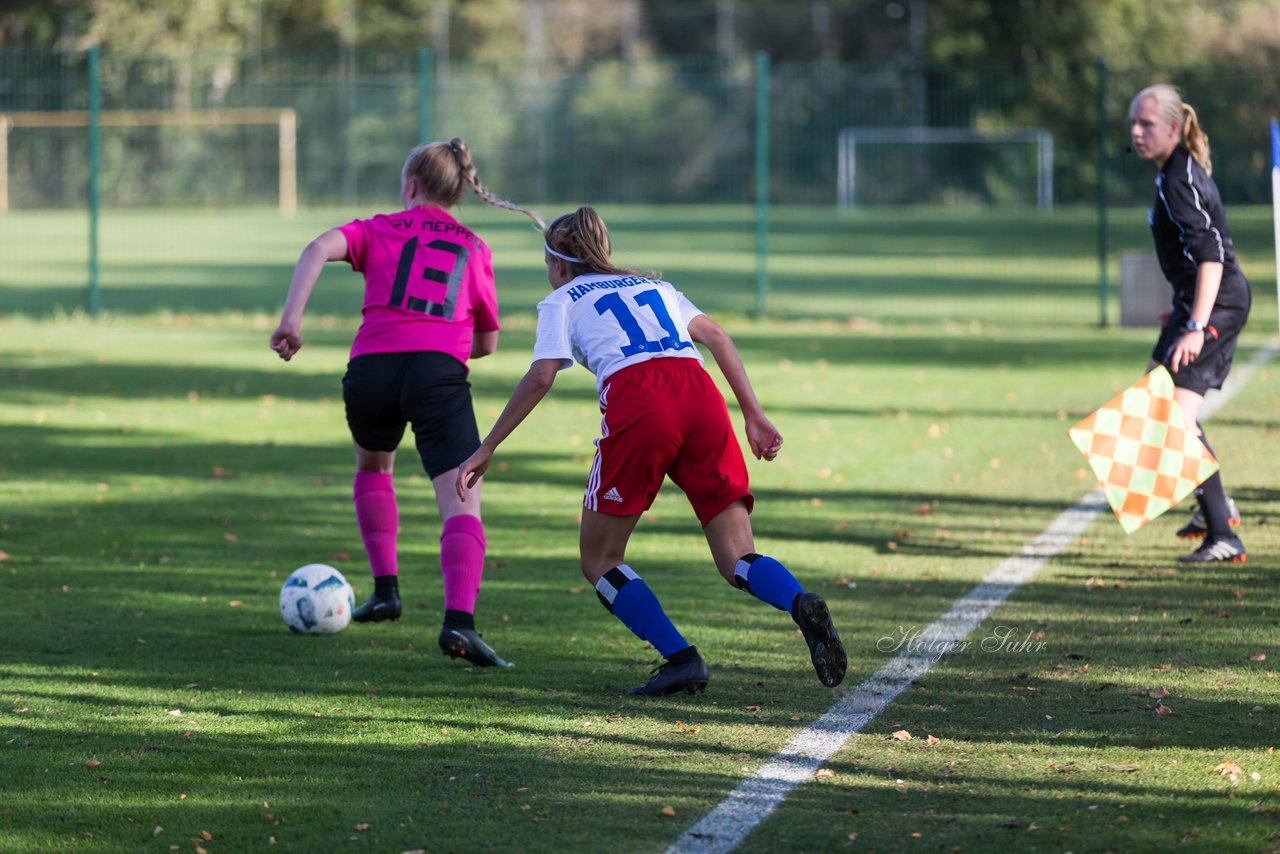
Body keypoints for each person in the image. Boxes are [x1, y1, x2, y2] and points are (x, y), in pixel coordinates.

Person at [454, 205, 846, 695]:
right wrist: (753, 413)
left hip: (641, 400)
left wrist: (488, 445)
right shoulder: (655, 288)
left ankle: (681, 658)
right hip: (700, 394)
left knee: (600, 559)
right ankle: (797, 600)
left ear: (557, 265)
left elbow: (541, 376)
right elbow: (717, 337)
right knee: (738, 557)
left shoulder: (561, 300)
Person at [271, 137, 542, 666]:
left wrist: (290, 322)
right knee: (461, 500)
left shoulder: (376, 227)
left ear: (411, 186)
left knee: (374, 466)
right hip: (436, 373)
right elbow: (487, 342)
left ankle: (387, 591)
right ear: (458, 192)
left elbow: (315, 250)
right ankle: (459, 625)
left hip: (370, 368)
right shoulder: (474, 247)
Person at [1129, 84, 1250, 563]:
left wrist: (1197, 323)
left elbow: (1212, 257)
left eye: (1147, 125)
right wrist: (1180, 308)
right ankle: (1213, 510)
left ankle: (1223, 533)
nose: (1137, 133)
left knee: (1175, 416)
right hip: (1195, 305)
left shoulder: (1180, 179)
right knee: (1154, 405)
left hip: (1217, 306)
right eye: (1133, 124)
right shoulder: (1172, 173)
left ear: (1174, 129)